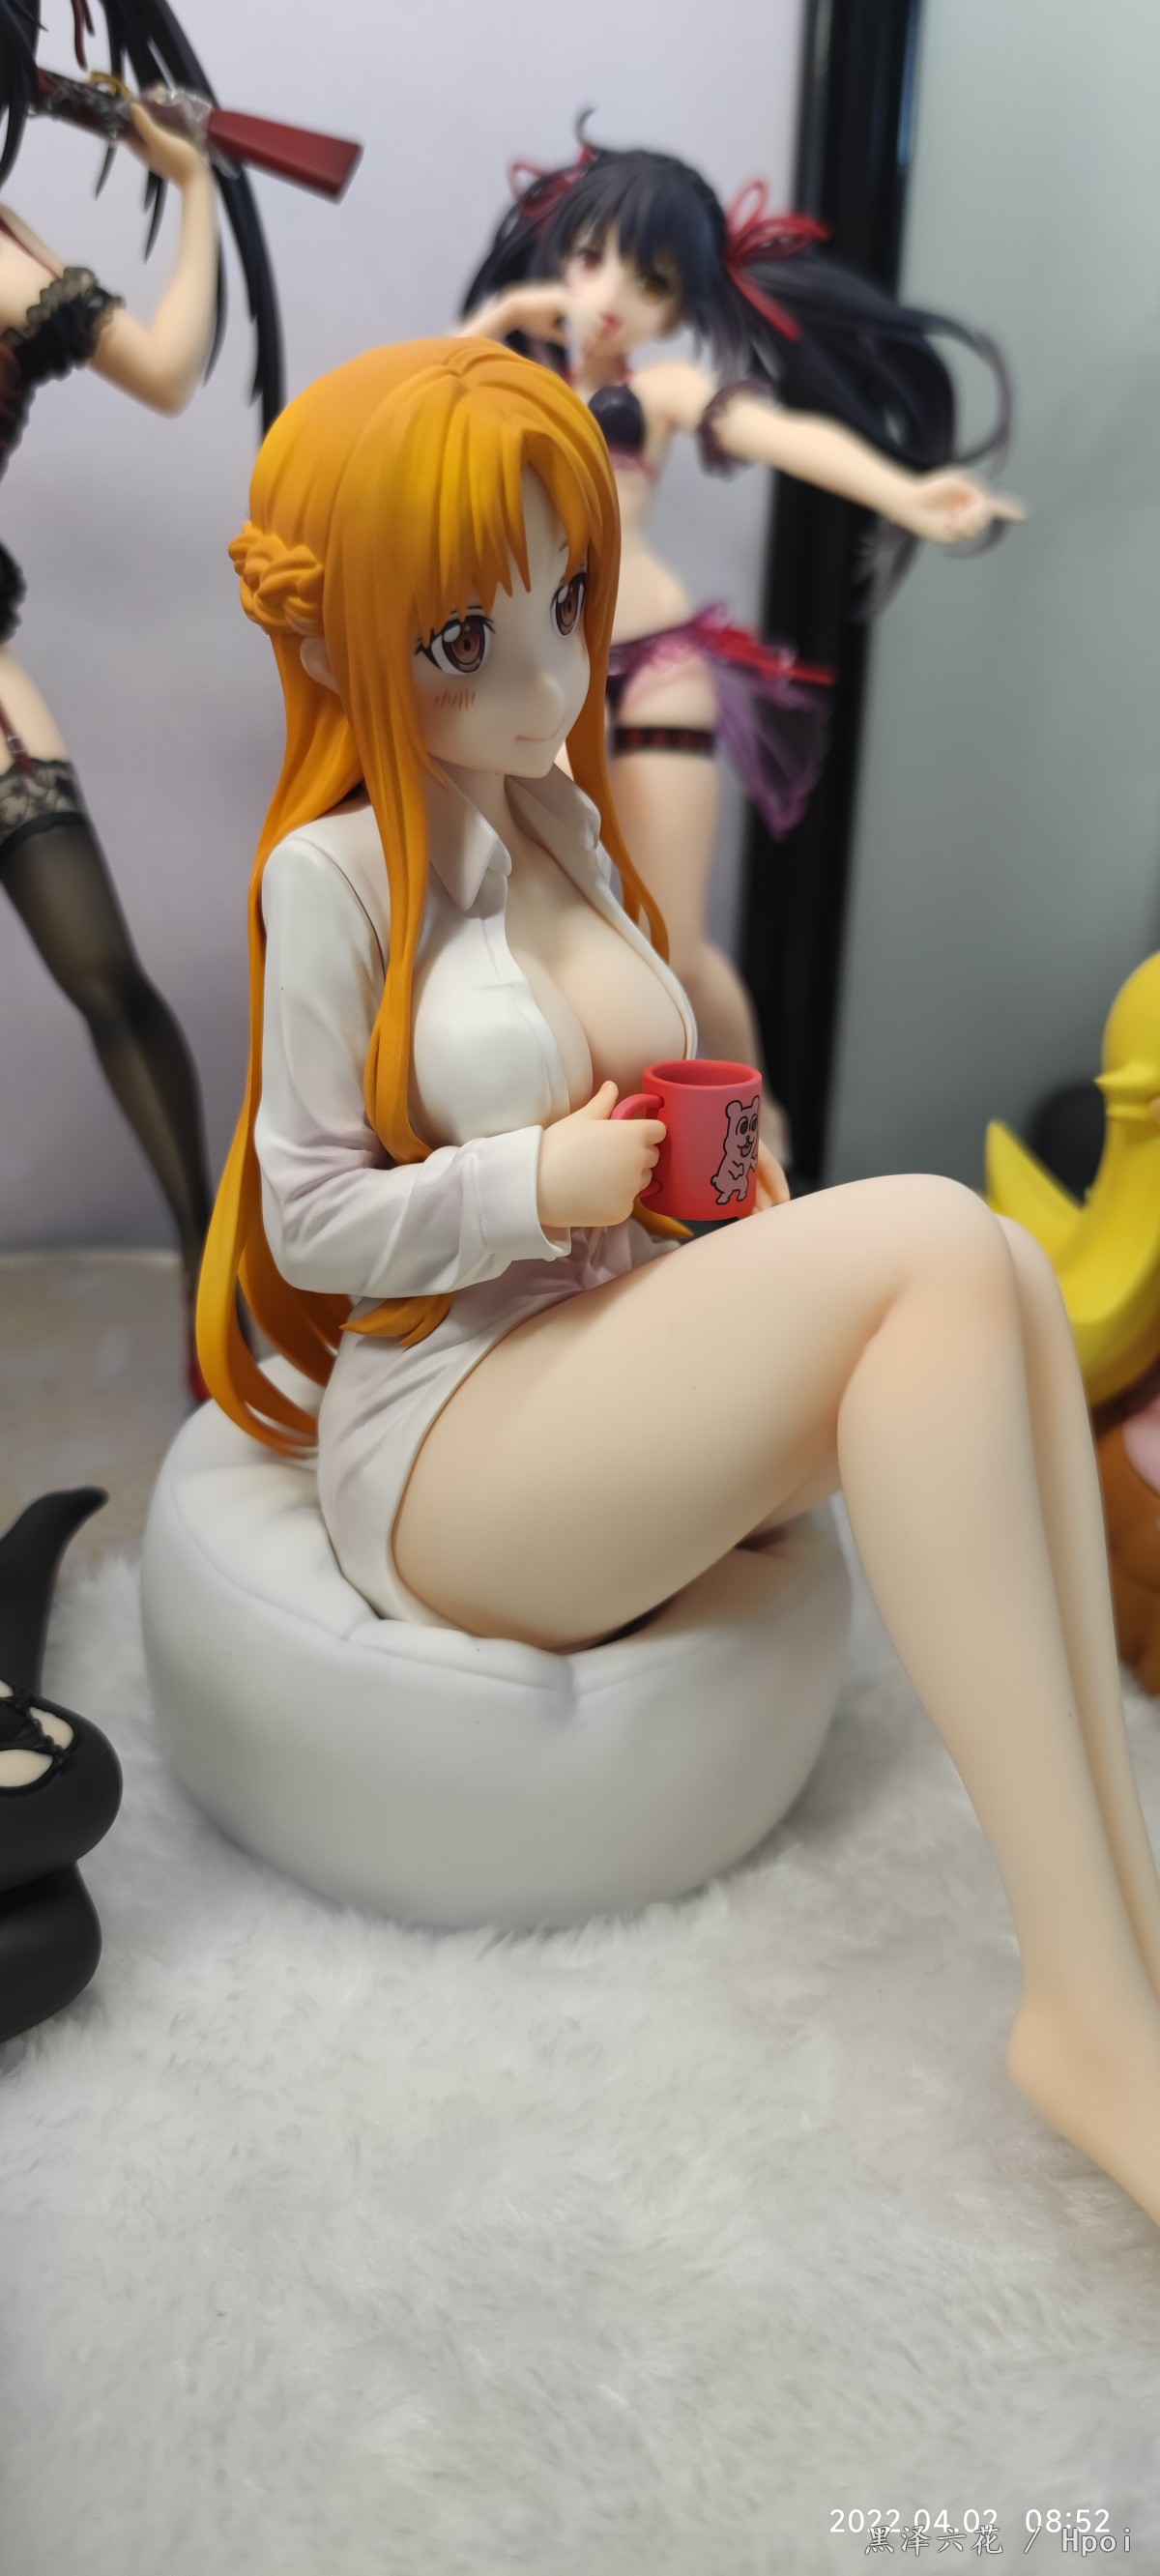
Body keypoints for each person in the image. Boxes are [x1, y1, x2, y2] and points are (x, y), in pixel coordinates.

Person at [200, 337, 1160, 2234]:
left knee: (994, 1271)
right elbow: (308, 1218)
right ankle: (1081, 2007)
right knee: (934, 1243)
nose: (552, 680)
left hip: (608, 1352)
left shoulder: (563, 819)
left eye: (569, 604)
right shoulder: (336, 878)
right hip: (453, 1440)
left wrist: (722, 1203)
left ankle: (1112, 1937)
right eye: (468, 640)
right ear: (332, 639)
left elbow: (650, 1095)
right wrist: (527, 1184)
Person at [460, 134, 1023, 1156]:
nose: (612, 296)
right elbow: (408, 430)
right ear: (556, 257)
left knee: (673, 941)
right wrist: (496, 324)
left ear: (685, 303)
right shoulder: (494, 386)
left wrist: (904, 491)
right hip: (543, 678)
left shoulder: (661, 392)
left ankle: (760, 1135)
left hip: (657, 666)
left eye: (653, 282)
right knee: (540, 922)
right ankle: (586, 1143)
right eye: (589, 258)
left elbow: (784, 438)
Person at [0, 0, 281, 1391]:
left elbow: (168, 372)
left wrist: (194, 191)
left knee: (104, 975)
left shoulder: (3, 256)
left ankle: (209, 1282)